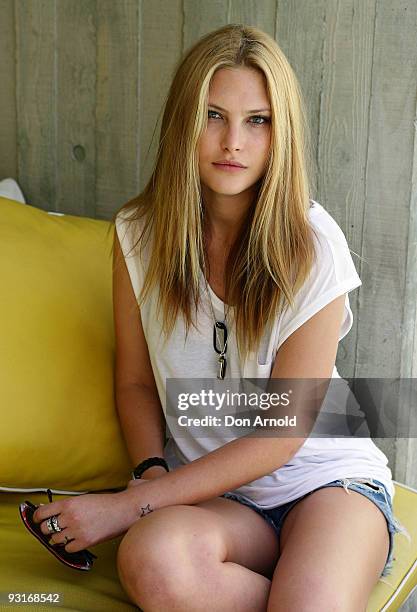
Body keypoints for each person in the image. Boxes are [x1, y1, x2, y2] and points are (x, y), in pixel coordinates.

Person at [33, 24, 410, 611]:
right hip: (222, 501)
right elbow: (135, 381)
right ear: (184, 120)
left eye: (257, 120)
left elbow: (281, 435)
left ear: (279, 133)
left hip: (325, 482)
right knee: (151, 560)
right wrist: (152, 473)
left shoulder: (313, 244)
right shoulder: (137, 235)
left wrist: (129, 504)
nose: (233, 140)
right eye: (214, 115)